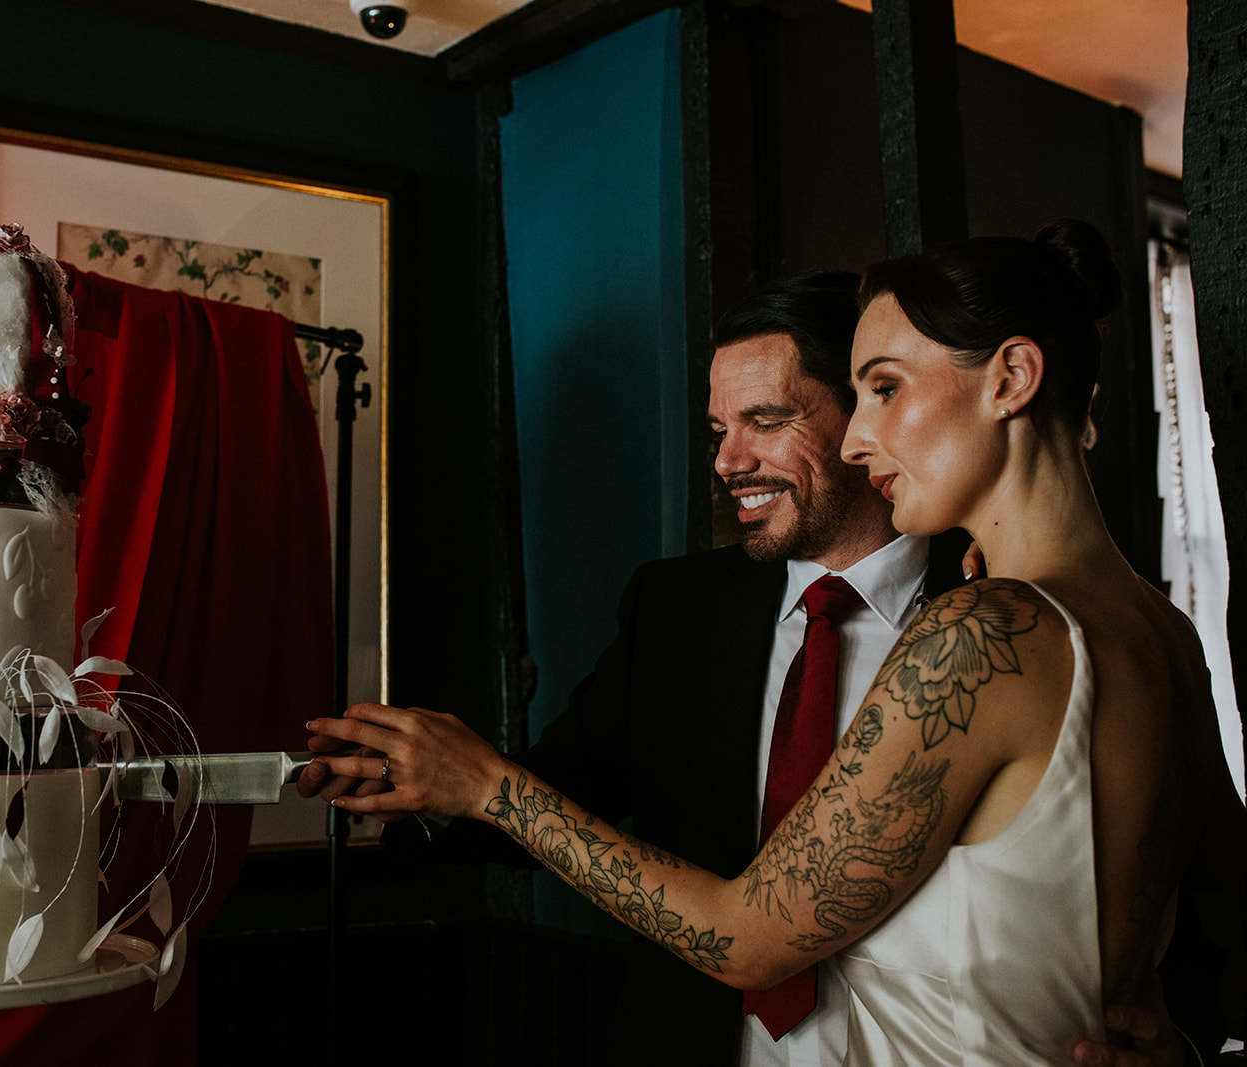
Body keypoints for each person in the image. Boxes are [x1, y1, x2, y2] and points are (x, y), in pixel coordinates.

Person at [304, 224, 1245, 1064]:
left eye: (883, 389)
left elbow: (750, 940)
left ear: (1010, 378)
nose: (862, 438)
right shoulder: (1162, 630)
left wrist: (488, 786)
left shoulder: (980, 630)